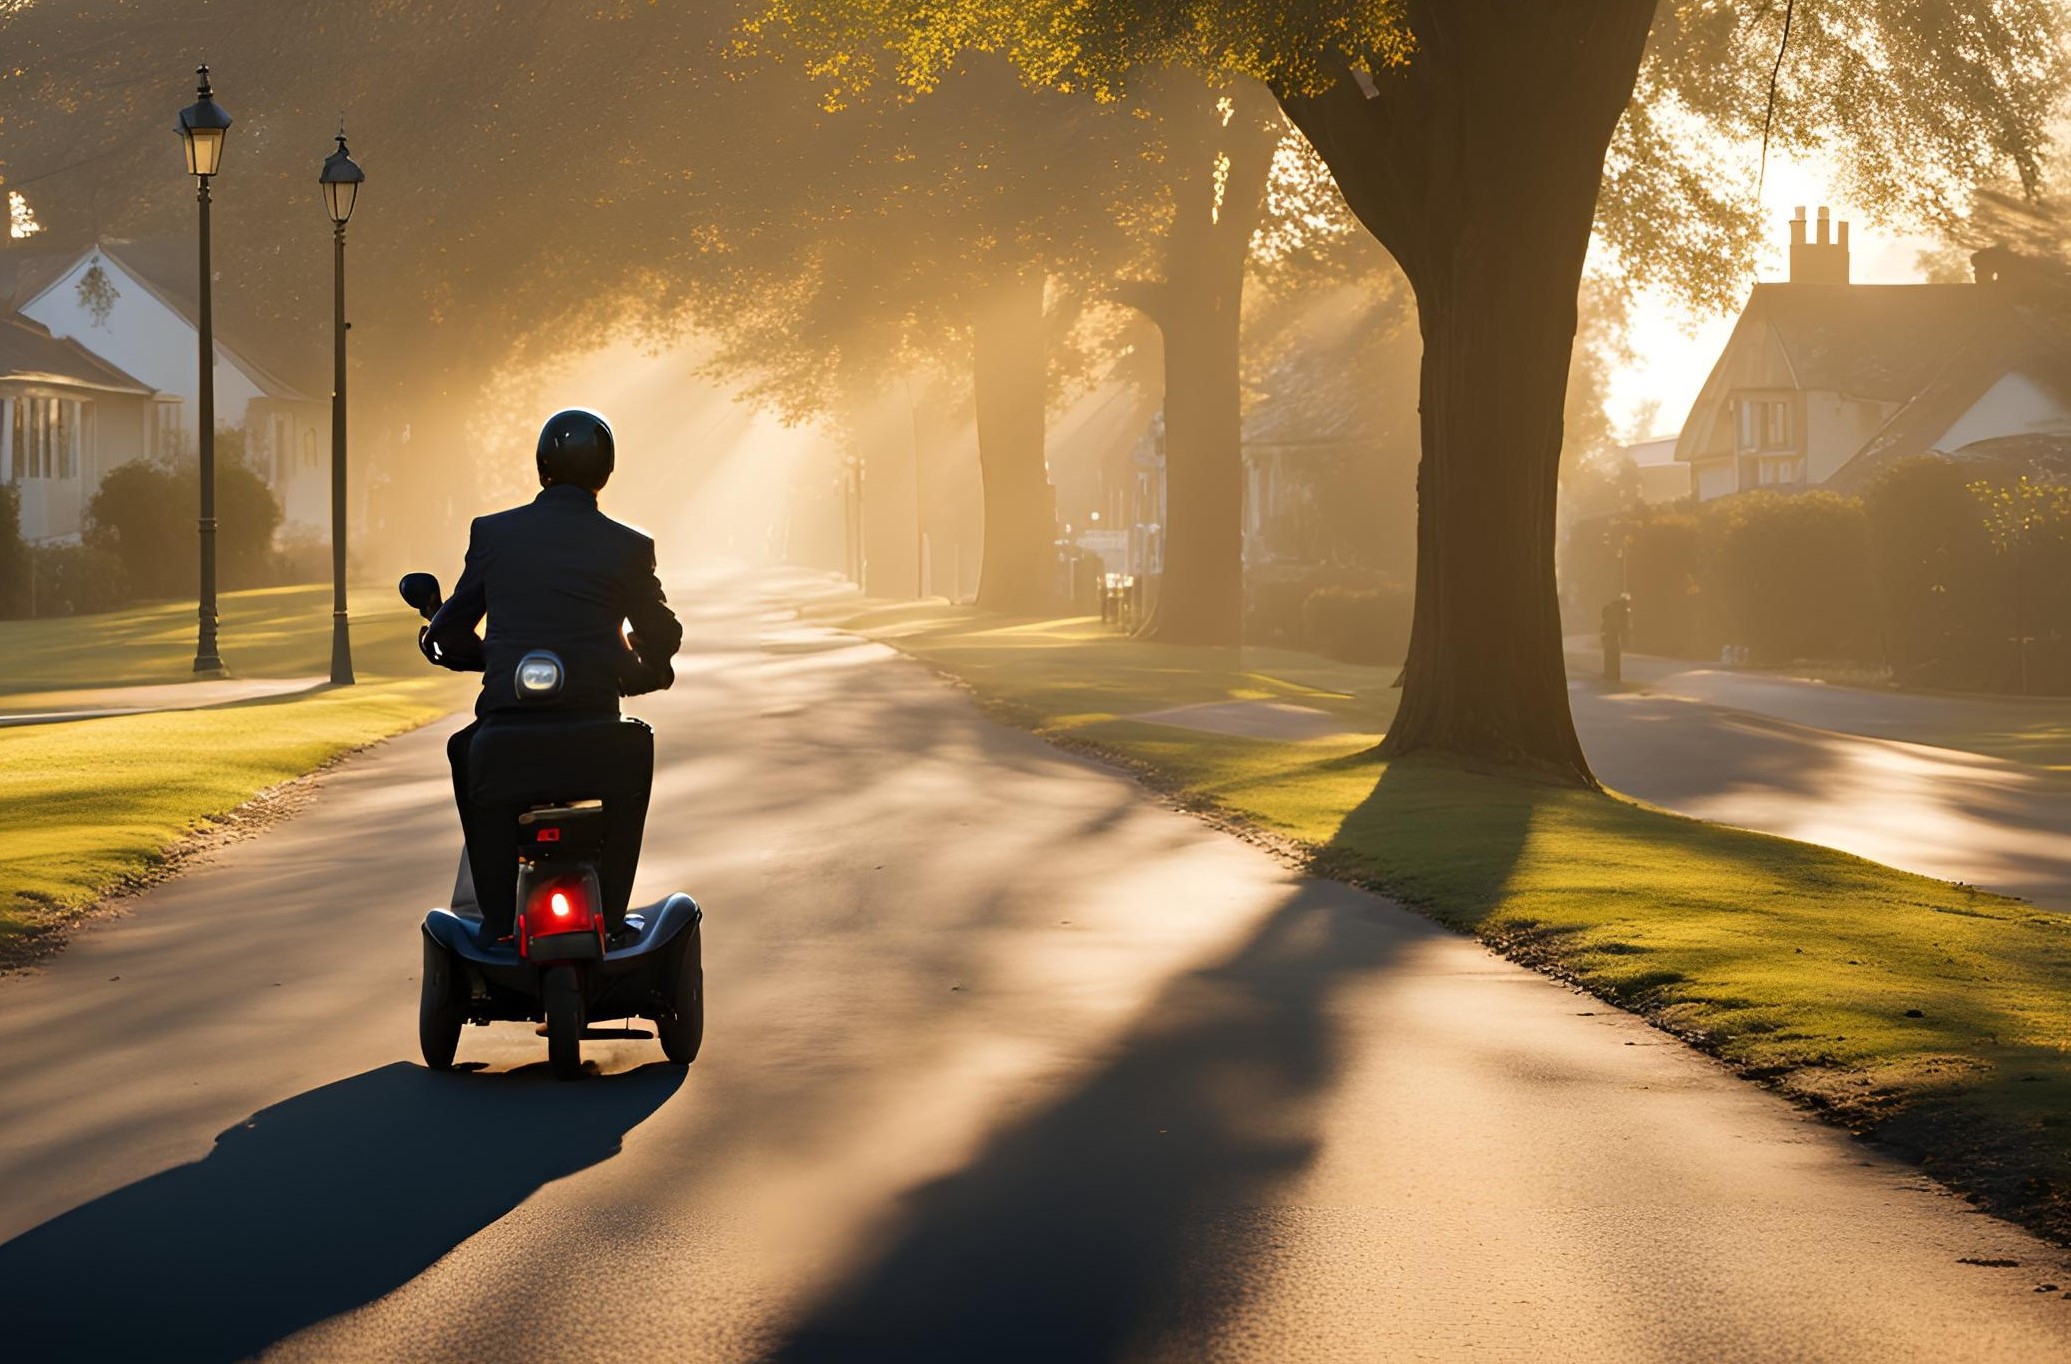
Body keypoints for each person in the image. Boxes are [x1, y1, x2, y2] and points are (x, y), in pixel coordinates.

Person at [421, 408, 682, 941]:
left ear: (541, 467)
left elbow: (447, 634)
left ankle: (495, 921)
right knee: (635, 758)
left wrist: (491, 659)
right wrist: (644, 667)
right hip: (598, 737)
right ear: (605, 473)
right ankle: (608, 918)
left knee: (466, 753)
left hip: (506, 736)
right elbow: (663, 631)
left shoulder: (493, 533)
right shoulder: (629, 545)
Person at [1600, 593, 1631, 685]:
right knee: (1614, 655)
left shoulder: (1609, 607)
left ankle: (1608, 675)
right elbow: (1618, 625)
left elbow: (1603, 621)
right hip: (1613, 636)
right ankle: (1614, 676)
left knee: (1608, 655)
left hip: (1607, 635)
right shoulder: (1619, 610)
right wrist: (1623, 635)